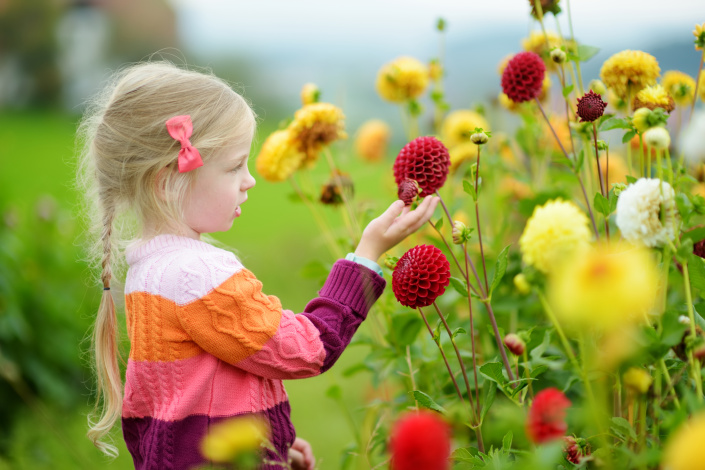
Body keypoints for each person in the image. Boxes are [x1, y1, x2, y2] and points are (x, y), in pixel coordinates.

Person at [76, 61, 439, 470]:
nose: (249, 180)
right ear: (168, 182)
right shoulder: (198, 275)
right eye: (234, 167)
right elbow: (307, 349)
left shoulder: (151, 270)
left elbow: (192, 403)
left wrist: (270, 438)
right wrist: (367, 254)